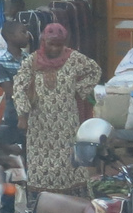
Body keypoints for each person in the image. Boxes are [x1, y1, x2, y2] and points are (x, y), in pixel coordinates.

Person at [11, 22, 102, 193]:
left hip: (66, 123)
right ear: (44, 41)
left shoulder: (74, 58)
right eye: (51, 44)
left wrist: (79, 88)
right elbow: (19, 86)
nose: (55, 48)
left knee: (70, 164)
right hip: (40, 127)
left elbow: (95, 71)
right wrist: (22, 114)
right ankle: (42, 206)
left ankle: (72, 202)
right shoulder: (32, 61)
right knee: (40, 167)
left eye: (59, 45)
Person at [0, 19, 31, 147]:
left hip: (34, 113)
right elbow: (11, 91)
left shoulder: (31, 59)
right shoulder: (0, 63)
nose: (27, 35)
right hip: (14, 116)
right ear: (9, 36)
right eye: (23, 32)